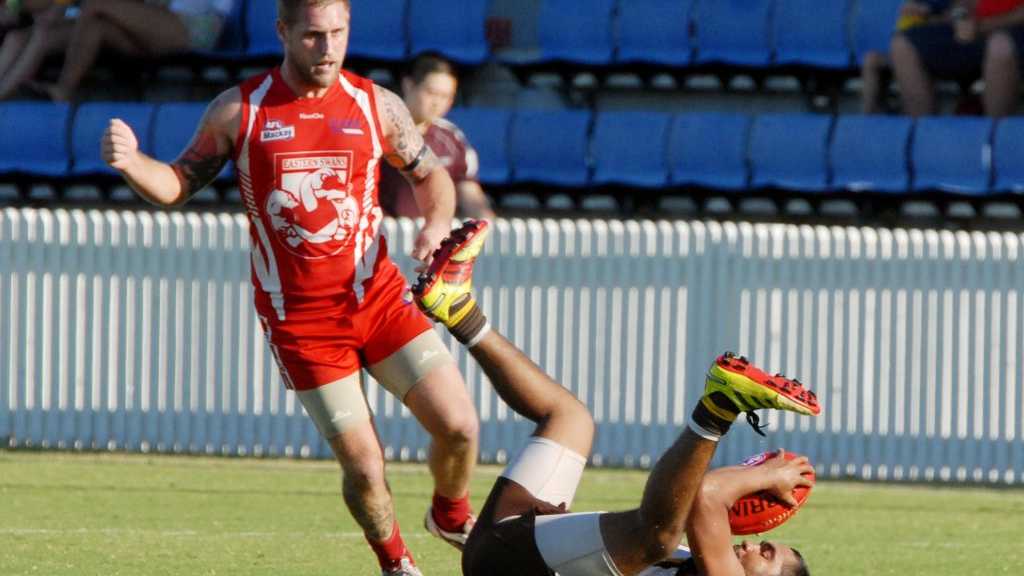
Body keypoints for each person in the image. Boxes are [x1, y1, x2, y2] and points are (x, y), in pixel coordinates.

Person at [100, 1, 480, 574]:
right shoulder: (239, 110)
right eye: (312, 36)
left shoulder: (375, 104)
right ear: (282, 32)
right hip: (301, 321)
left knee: (459, 426)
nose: (327, 50)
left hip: (377, 300)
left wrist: (432, 222)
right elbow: (177, 183)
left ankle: (449, 513)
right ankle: (396, 562)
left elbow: (430, 176)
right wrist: (133, 164)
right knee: (365, 467)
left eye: (337, 34)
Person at [412, 220, 820, 576]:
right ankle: (457, 308)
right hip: (509, 538)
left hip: (507, 563)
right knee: (570, 418)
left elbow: (704, 496)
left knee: (657, 537)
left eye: (766, 554)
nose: (754, 545)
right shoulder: (698, 559)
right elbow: (699, 500)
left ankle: (719, 407)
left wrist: (769, 476)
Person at [39, 0, 235, 102]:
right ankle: (59, 92)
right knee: (97, 26)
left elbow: (220, 13)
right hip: (157, 26)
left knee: (96, 4)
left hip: (195, 25)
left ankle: (64, 88)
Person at [378, 53, 495, 221]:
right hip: (382, 235)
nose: (437, 102)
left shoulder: (452, 138)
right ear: (408, 85)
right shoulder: (376, 129)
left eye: (446, 96)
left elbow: (469, 191)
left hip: (434, 239)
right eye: (431, 93)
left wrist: (485, 224)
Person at [891, 0, 1024, 117]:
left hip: (1012, 30)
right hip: (977, 30)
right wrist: (961, 18)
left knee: (999, 46)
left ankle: (996, 136)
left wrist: (983, 26)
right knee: (902, 44)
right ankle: (922, 133)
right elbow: (962, 5)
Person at [861, 1, 951, 114]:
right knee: (870, 59)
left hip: (931, 49)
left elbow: (950, 18)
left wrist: (926, 12)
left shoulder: (939, 5)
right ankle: (869, 116)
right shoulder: (909, 7)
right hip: (903, 48)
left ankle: (918, 118)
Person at [0, 0, 74, 101]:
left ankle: (4, 93)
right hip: (50, 23)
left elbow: (54, 15)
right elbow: (10, 13)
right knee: (15, 38)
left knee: (42, 32)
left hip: (78, 28)